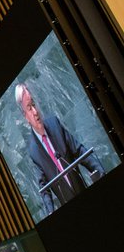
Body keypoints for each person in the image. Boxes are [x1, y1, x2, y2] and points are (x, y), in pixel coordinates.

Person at [15, 81, 106, 214]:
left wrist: (99, 169)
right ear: (25, 116)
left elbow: (79, 150)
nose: (35, 111)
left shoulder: (55, 124)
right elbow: (44, 189)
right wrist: (51, 213)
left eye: (34, 104)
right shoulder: (33, 151)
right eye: (29, 108)